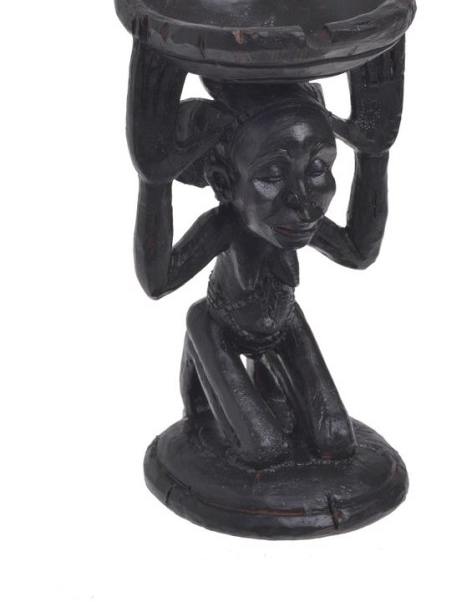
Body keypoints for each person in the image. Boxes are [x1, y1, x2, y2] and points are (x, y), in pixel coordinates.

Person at [126, 37, 406, 467]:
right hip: (218, 328)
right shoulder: (226, 226)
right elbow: (157, 281)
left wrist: (374, 155)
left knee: (335, 438)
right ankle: (217, 410)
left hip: (284, 321)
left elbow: (359, 252)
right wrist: (154, 185)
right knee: (264, 450)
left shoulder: (293, 223)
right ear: (223, 182)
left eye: (318, 168)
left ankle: (270, 392)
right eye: (271, 176)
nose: (304, 204)